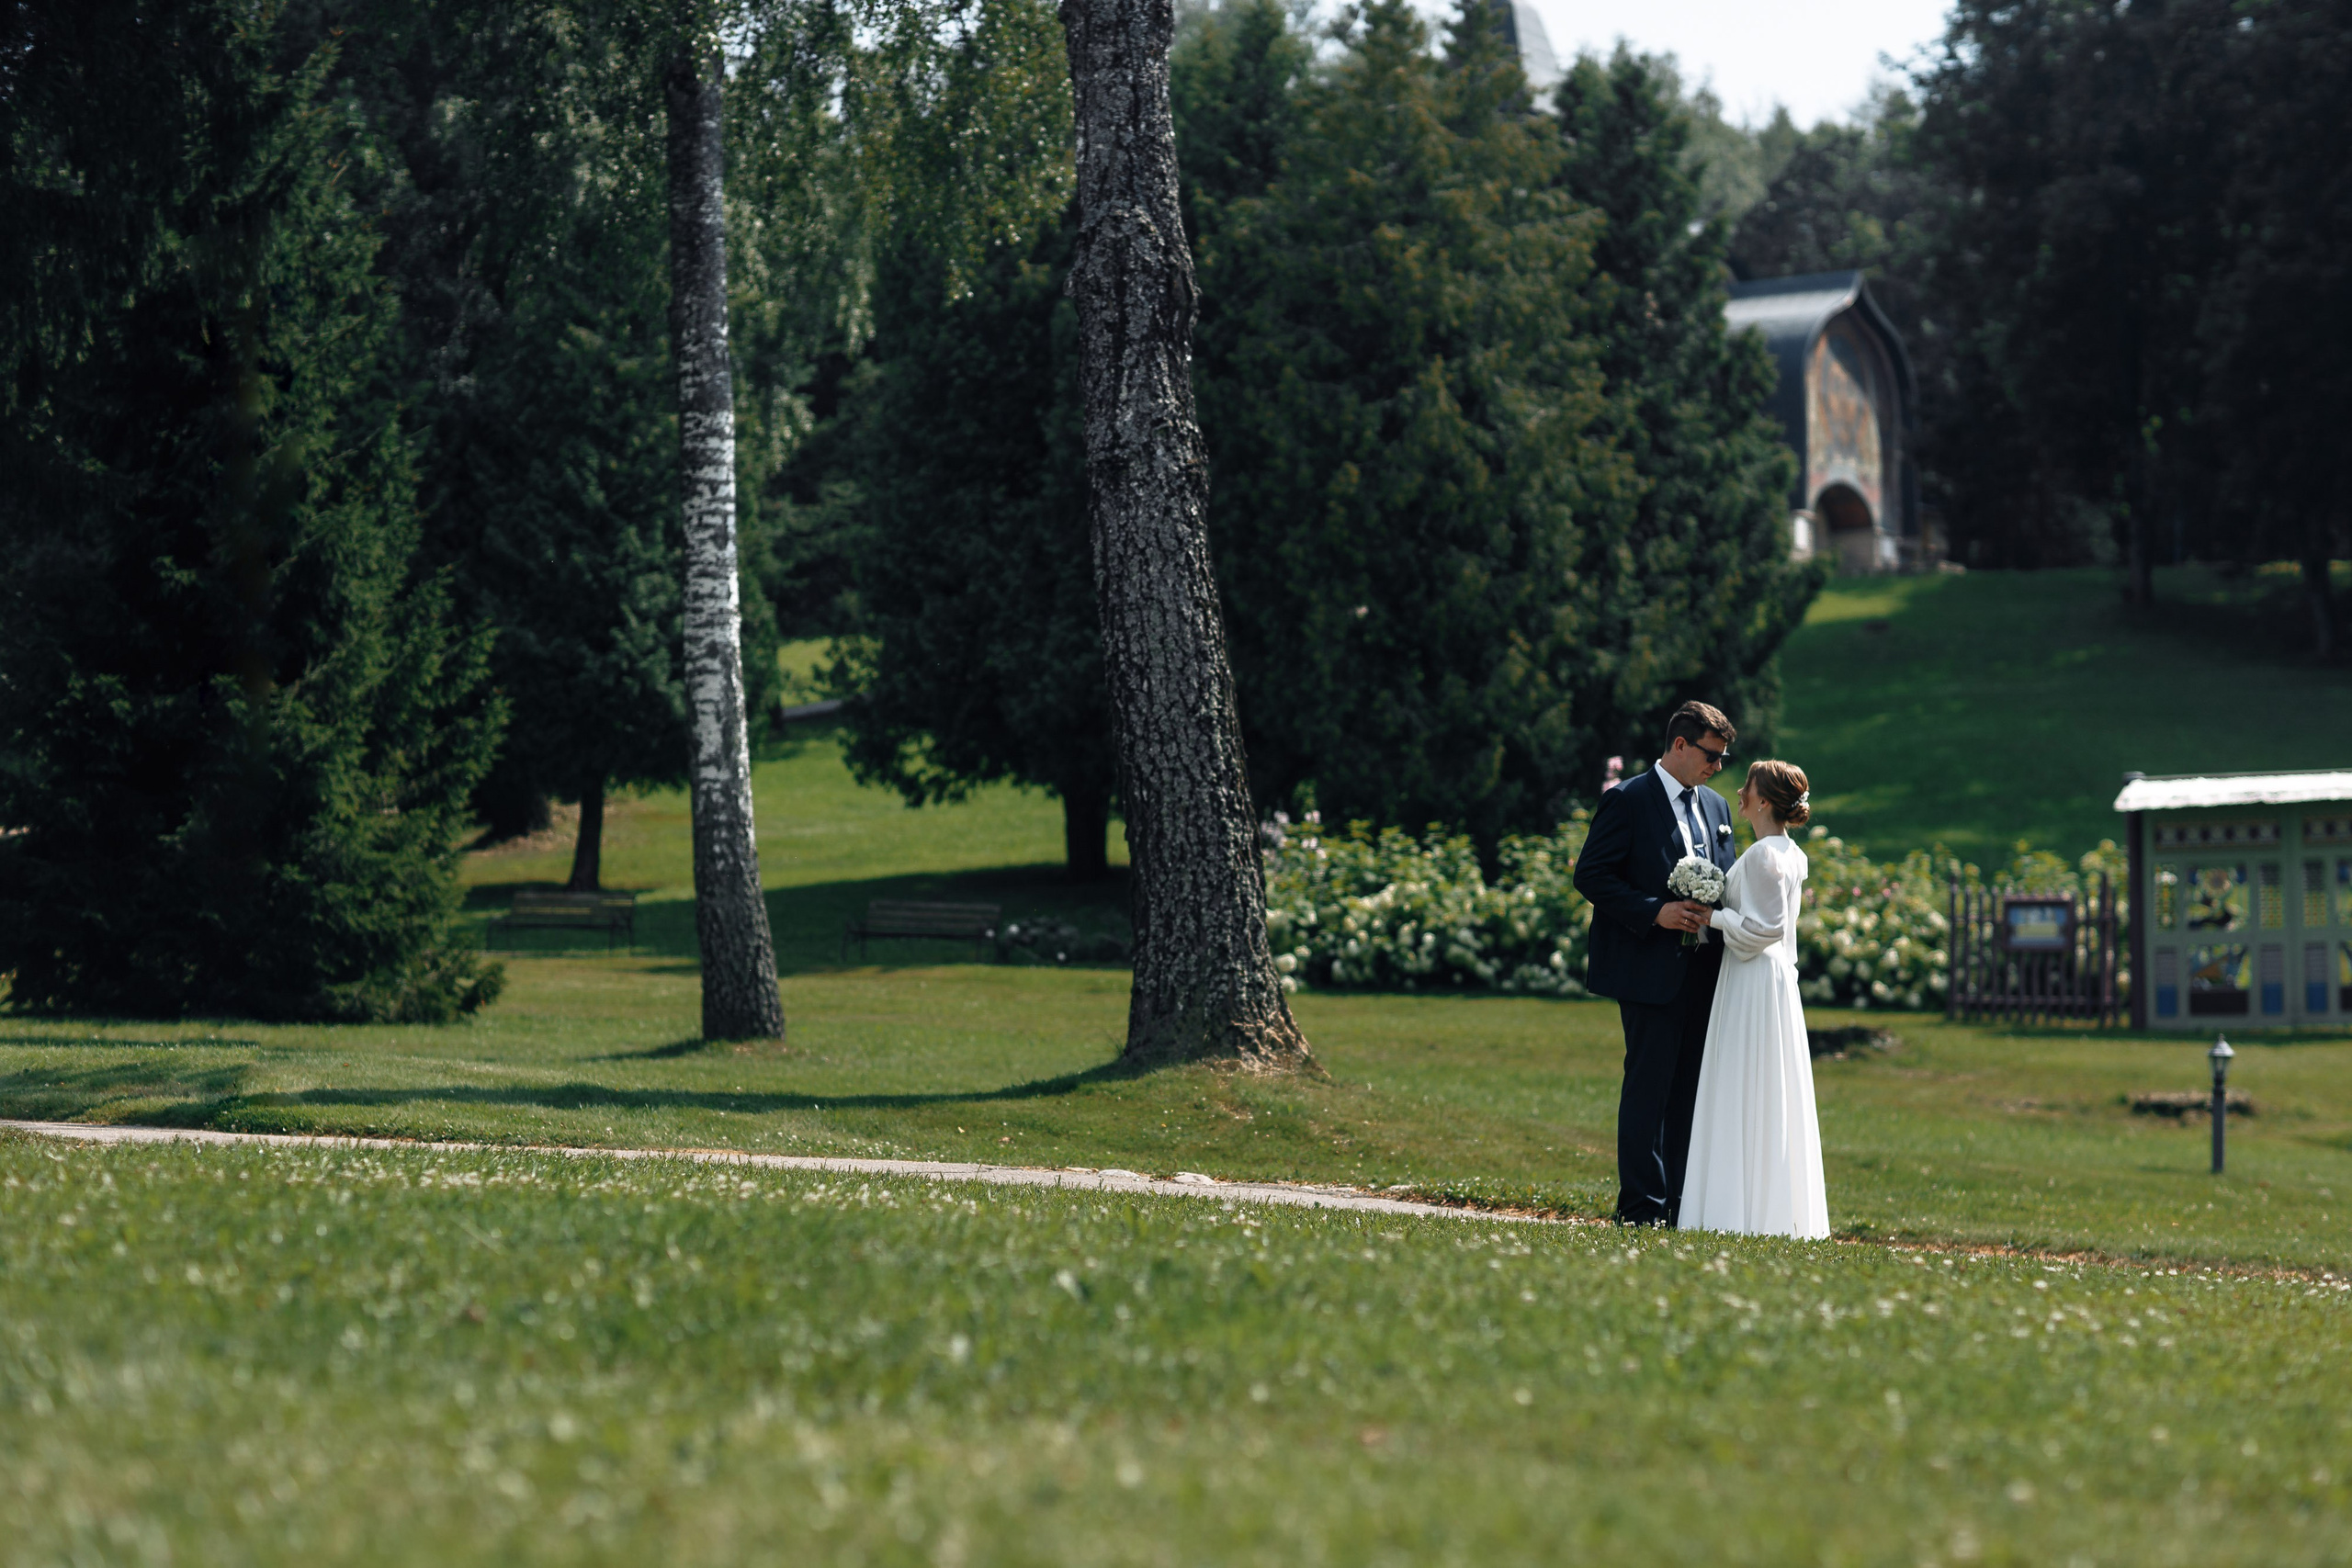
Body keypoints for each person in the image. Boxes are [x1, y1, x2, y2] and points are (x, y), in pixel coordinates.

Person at [1572, 701, 1740, 1225]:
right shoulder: (1628, 800)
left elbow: (1727, 876)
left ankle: (1681, 1206)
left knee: (1690, 1090)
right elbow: (1592, 876)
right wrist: (1656, 912)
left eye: (1725, 758)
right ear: (1680, 745)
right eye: (1711, 755)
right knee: (1649, 1087)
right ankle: (1641, 1207)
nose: (1717, 767)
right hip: (1647, 967)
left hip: (1705, 971)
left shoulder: (1716, 807)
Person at [1679, 760, 1830, 1238]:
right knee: (1764, 1088)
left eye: (1747, 786)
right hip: (1769, 981)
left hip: (1754, 981)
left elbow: (1766, 931)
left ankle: (1739, 1212)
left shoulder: (1767, 855)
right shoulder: (1787, 853)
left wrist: (1713, 917)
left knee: (1746, 1083)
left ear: (1763, 801)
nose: (1739, 793)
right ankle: (1758, 1205)